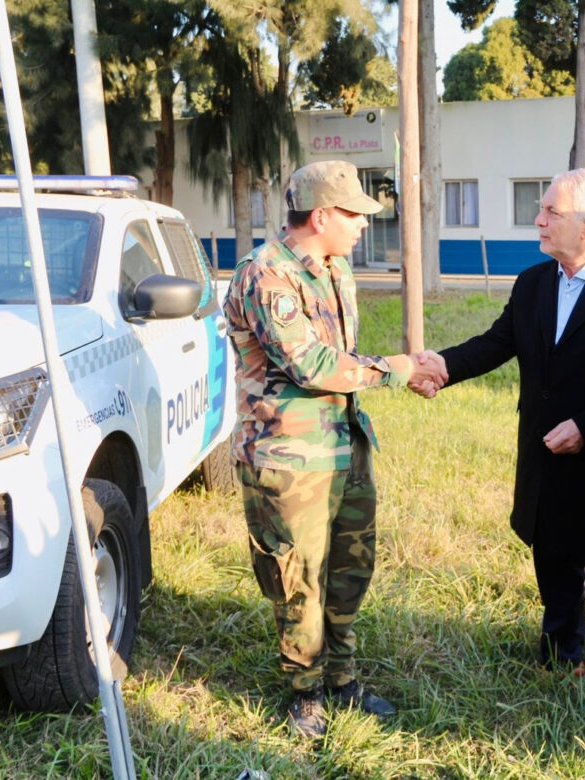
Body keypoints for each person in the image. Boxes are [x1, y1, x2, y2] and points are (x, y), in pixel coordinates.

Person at [223, 160, 447, 739]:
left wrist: (385, 373)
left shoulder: (335, 267)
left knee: (351, 567)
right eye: (354, 215)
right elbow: (311, 363)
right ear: (321, 215)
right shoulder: (264, 276)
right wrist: (396, 370)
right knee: (298, 580)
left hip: (345, 445)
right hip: (288, 458)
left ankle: (344, 680)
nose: (363, 226)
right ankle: (305, 691)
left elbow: (341, 357)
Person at [437, 168, 585, 710]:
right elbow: (495, 343)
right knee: (553, 554)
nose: (538, 220)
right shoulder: (533, 282)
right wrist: (439, 366)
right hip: (543, 454)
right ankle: (564, 655)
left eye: (550, 212)